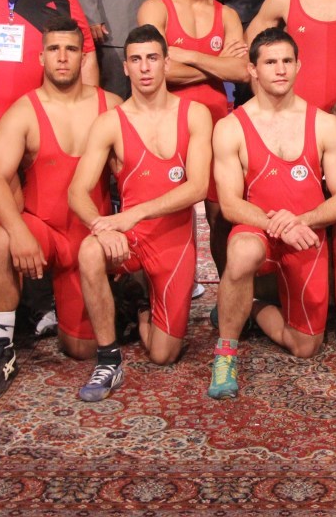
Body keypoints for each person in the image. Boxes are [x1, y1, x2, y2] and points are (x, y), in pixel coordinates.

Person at [0, 17, 121, 398]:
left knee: (80, 349)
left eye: (71, 49)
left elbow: (134, 175)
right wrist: (19, 232)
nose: (62, 58)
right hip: (42, 232)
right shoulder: (23, 112)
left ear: (84, 57)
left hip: (89, 239)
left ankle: (119, 298)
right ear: (41, 57)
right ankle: (0, 352)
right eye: (54, 49)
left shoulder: (110, 106)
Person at [207, 28, 336, 399]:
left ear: (298, 66)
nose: (280, 69)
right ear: (252, 70)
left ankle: (252, 307)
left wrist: (300, 221)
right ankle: (225, 353)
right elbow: (230, 203)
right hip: (257, 229)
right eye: (270, 62)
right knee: (242, 252)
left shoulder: (324, 124)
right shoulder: (230, 127)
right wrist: (277, 225)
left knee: (305, 346)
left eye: (287, 61)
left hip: (305, 233)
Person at [70, 25, 213, 400]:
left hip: (172, 241)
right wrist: (102, 229)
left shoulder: (195, 115)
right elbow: (77, 191)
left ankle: (141, 303)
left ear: (166, 63)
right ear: (126, 67)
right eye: (136, 59)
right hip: (129, 239)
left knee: (163, 354)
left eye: (152, 58)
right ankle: (108, 360)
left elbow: (198, 186)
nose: (145, 67)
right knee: (89, 251)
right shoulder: (110, 122)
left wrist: (134, 215)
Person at [138, 0, 249, 278]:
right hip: (167, 126)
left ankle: (228, 291)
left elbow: (241, 72)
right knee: (164, 215)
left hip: (216, 127)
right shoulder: (155, 8)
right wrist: (217, 64)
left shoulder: (227, 15)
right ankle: (159, 292)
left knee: (222, 216)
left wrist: (187, 55)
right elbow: (157, 70)